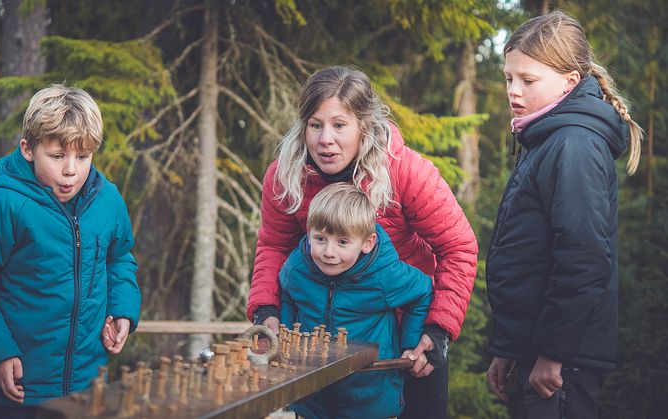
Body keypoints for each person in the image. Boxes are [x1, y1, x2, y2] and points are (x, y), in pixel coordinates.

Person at [247, 65, 478, 418]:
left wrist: (437, 328)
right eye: (316, 125)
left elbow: (458, 247)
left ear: (363, 125)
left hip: (408, 333)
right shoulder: (286, 176)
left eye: (339, 125)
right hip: (324, 344)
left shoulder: (405, 170)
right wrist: (267, 310)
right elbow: (274, 246)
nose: (326, 139)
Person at [0, 85, 142, 419]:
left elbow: (119, 259)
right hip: (21, 391)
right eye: (57, 156)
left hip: (86, 388)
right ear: (28, 149)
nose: (71, 170)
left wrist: (122, 310)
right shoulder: (2, 205)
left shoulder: (107, 201)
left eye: (82, 157)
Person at [485, 11, 643, 419]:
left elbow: (584, 260)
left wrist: (553, 354)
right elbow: (532, 254)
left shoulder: (573, 144)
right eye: (509, 78)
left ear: (570, 81)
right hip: (538, 351)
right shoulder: (545, 137)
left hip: (561, 365)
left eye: (528, 80)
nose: (514, 91)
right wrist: (510, 348)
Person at [280, 182, 433, 418]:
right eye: (320, 239)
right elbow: (288, 296)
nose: (329, 252)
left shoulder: (384, 274)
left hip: (370, 398)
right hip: (310, 398)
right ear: (309, 233)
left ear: (367, 243)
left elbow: (422, 291)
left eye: (342, 242)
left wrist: (410, 344)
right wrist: (287, 338)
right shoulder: (297, 268)